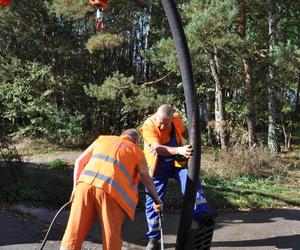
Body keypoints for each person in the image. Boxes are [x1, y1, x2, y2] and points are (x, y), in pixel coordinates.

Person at [60, 129, 163, 250]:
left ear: (121, 136)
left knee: (75, 229)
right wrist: (157, 199)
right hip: (111, 193)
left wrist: (75, 188)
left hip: (84, 186)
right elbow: (147, 181)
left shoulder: (102, 139)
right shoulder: (137, 151)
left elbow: (79, 162)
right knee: (111, 237)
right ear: (136, 141)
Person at [140, 104, 209, 250]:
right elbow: (157, 148)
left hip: (176, 163)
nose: (162, 127)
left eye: (166, 124)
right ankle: (153, 239)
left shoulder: (176, 119)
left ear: (172, 119)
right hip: (157, 169)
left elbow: (185, 133)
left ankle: (202, 216)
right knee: (154, 203)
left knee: (192, 181)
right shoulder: (148, 126)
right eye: (160, 122)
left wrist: (193, 141)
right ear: (156, 116)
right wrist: (179, 149)